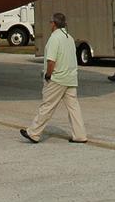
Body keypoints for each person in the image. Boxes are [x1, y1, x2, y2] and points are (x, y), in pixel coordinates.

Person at [21, 12, 87, 144]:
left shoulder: (54, 38)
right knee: (73, 108)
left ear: (54, 24)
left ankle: (34, 133)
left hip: (57, 78)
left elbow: (51, 61)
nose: (49, 24)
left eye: (50, 22)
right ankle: (80, 135)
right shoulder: (69, 38)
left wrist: (48, 75)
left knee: (47, 106)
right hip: (71, 78)